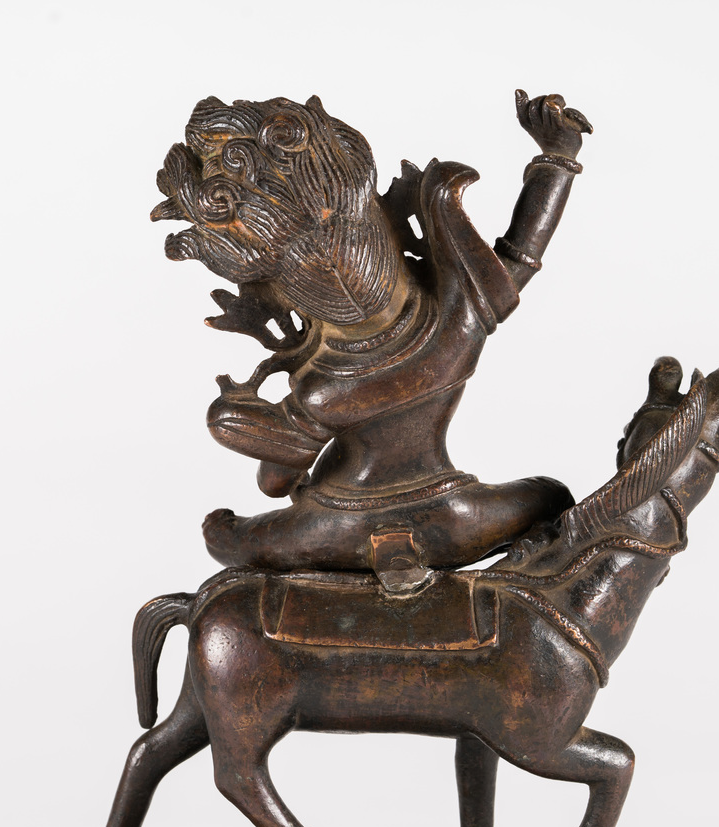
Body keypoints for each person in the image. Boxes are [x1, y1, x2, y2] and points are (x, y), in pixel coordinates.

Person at [152, 90, 593, 574]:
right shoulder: (452, 322)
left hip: (334, 526)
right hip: (456, 517)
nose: (343, 278)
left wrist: (249, 425)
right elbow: (520, 255)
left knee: (226, 537)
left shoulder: (322, 389)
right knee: (552, 497)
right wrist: (557, 158)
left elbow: (274, 484)